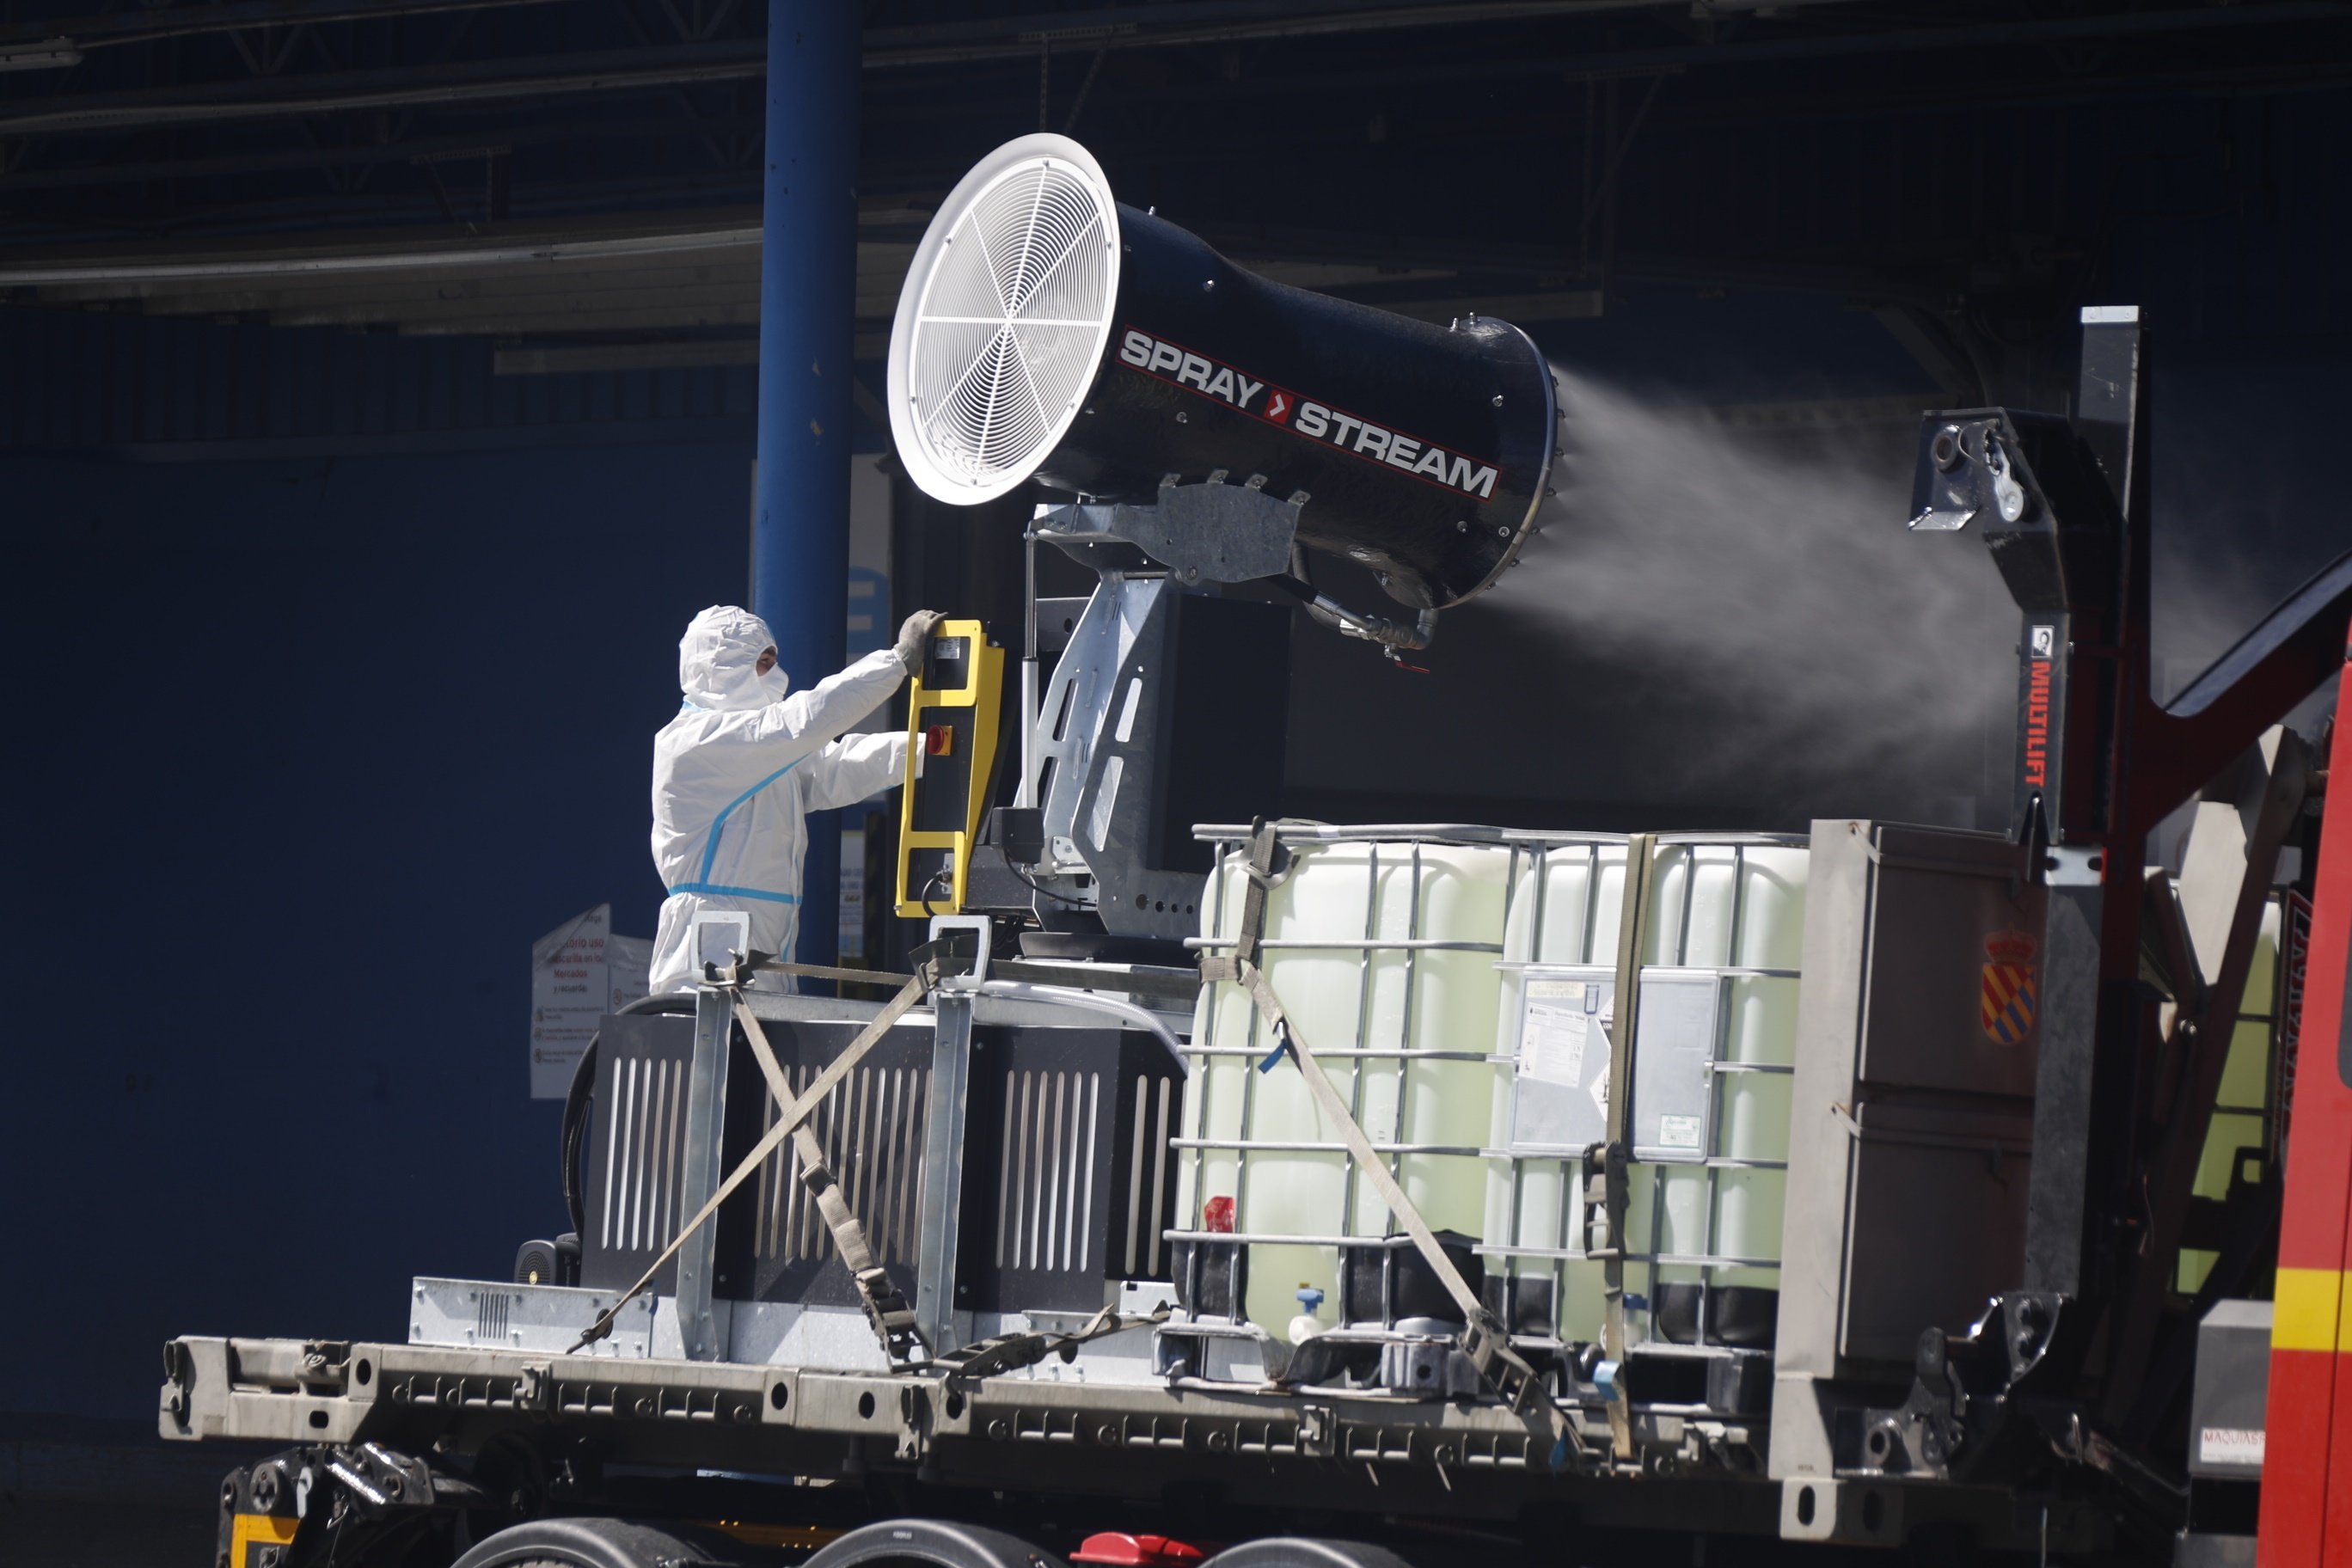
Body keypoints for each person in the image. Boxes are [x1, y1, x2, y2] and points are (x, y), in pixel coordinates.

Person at [648, 603, 943, 991]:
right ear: (721, 668)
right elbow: (798, 723)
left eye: (774, 660)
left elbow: (832, 769)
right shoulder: (694, 742)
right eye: (762, 662)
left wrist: (933, 750)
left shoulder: (756, 752)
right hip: (708, 962)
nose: (774, 674)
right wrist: (895, 663)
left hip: (756, 955)